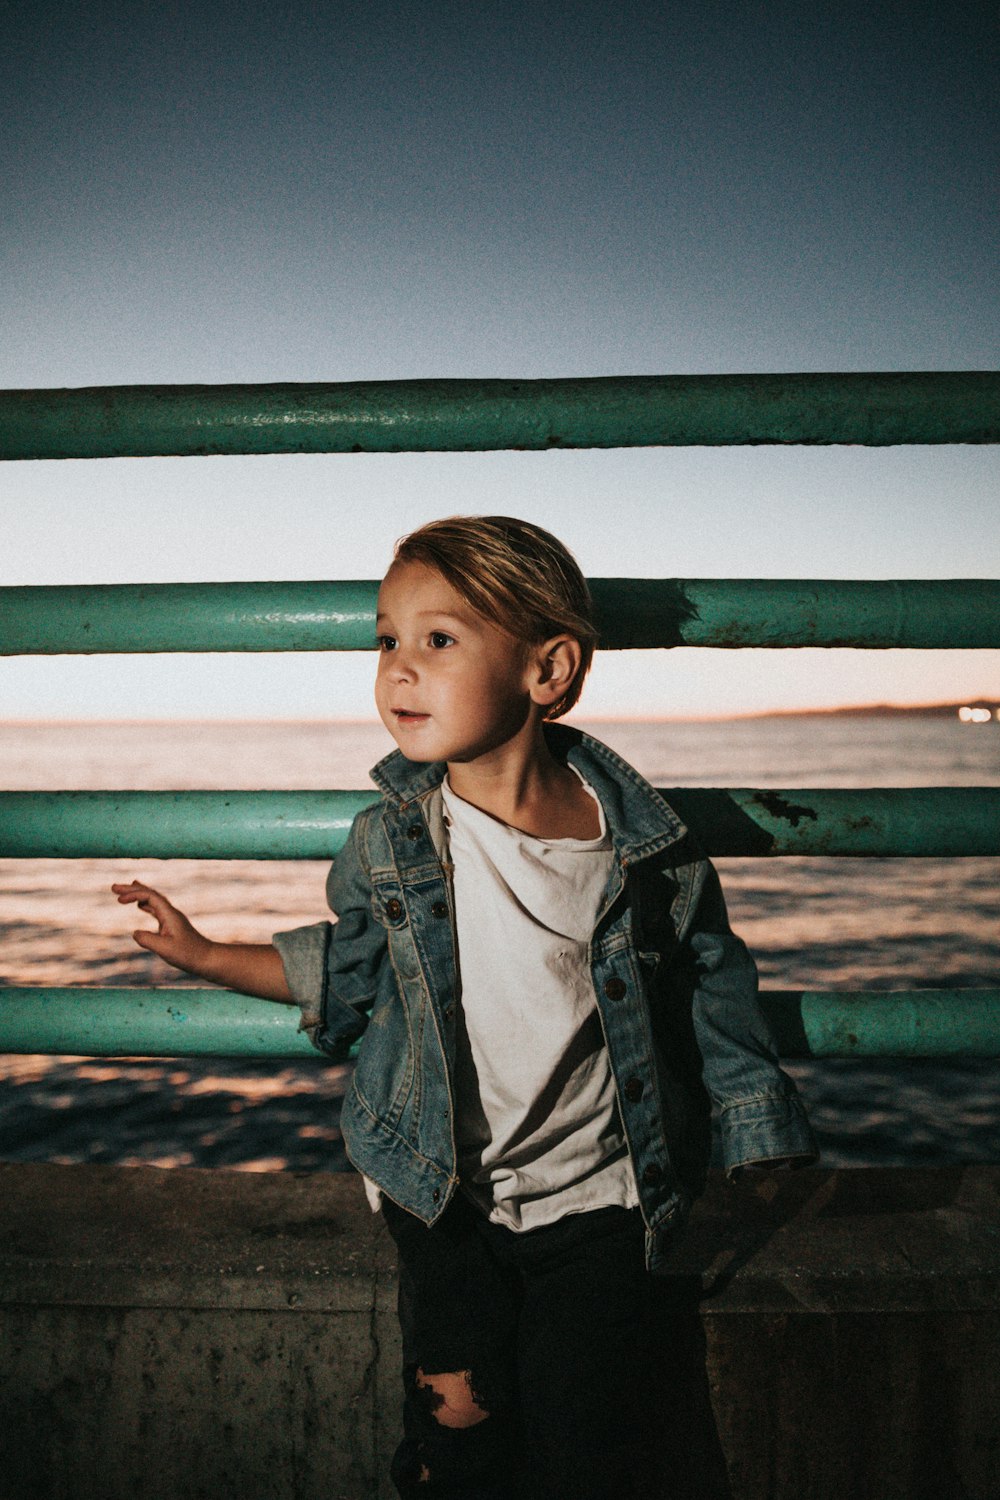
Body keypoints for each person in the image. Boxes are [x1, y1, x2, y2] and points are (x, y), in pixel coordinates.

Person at [113, 515, 817, 1499]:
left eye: (437, 640)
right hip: (445, 1200)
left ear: (547, 670)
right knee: (461, 1427)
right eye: (385, 639)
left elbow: (710, 985)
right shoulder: (389, 843)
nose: (398, 669)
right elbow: (349, 976)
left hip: (601, 1204)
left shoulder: (645, 848)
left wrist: (755, 1122)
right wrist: (199, 952)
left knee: (592, 1443)